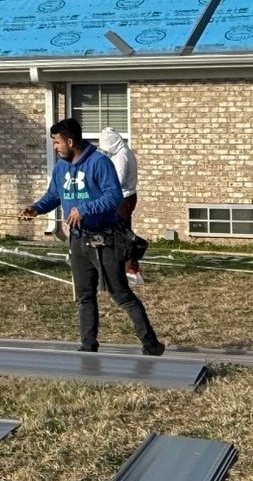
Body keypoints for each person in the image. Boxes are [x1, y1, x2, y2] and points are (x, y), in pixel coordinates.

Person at [20, 117, 165, 355]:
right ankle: (88, 346)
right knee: (84, 295)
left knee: (121, 294)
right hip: (77, 240)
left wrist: (85, 209)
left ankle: (151, 345)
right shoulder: (61, 168)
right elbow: (54, 195)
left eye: (57, 142)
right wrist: (36, 208)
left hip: (104, 239)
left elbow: (114, 197)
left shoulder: (100, 163)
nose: (55, 147)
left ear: (70, 141)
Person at [95, 126, 144, 282]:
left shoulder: (122, 155)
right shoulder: (122, 153)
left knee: (122, 234)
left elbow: (119, 180)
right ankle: (126, 266)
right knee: (121, 232)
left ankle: (131, 267)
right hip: (125, 197)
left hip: (123, 198)